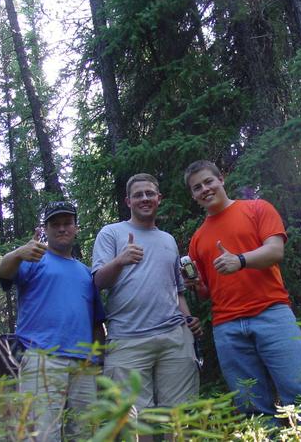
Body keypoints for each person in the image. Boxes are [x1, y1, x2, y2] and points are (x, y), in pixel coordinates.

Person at [183, 160, 301, 420]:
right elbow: (206, 292)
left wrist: (240, 260)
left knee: (300, 395)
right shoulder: (198, 239)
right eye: (197, 187)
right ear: (193, 195)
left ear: (221, 179)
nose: (205, 189)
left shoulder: (257, 208)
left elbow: (275, 251)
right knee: (252, 409)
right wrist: (197, 285)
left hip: (272, 315)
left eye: (208, 181)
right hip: (227, 328)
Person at [91, 173, 200, 439]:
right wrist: (120, 260)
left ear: (158, 199)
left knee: (180, 419)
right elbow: (97, 281)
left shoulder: (168, 240)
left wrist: (189, 321)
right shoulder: (111, 233)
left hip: (174, 338)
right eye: (138, 195)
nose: (144, 199)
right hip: (127, 341)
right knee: (134, 426)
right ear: (128, 201)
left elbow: (178, 292)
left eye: (150, 194)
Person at [0, 201, 105, 441]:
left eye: (67, 223)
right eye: (55, 224)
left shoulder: (86, 272)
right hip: (42, 358)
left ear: (76, 227)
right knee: (42, 433)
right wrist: (17, 253)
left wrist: (98, 363)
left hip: (83, 365)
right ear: (46, 229)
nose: (62, 228)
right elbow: (3, 272)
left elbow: (97, 322)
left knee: (87, 434)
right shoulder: (34, 259)